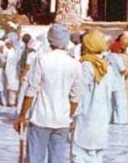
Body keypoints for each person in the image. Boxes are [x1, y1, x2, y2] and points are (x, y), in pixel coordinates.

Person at [15, 24, 85, 163]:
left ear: (49, 39)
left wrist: (22, 115)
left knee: (35, 158)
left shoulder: (42, 60)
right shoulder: (75, 64)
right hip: (62, 120)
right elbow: (75, 97)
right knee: (57, 159)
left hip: (41, 118)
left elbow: (31, 91)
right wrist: (68, 115)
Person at [71, 29, 113, 162]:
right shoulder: (107, 66)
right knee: (96, 155)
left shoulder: (86, 65)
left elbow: (79, 93)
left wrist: (71, 114)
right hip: (101, 116)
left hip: (86, 116)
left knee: (80, 154)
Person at [107, 41, 128, 124]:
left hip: (110, 82)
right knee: (120, 101)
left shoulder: (108, 56)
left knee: (112, 102)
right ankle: (120, 119)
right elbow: (122, 69)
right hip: (118, 81)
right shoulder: (117, 57)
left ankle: (111, 118)